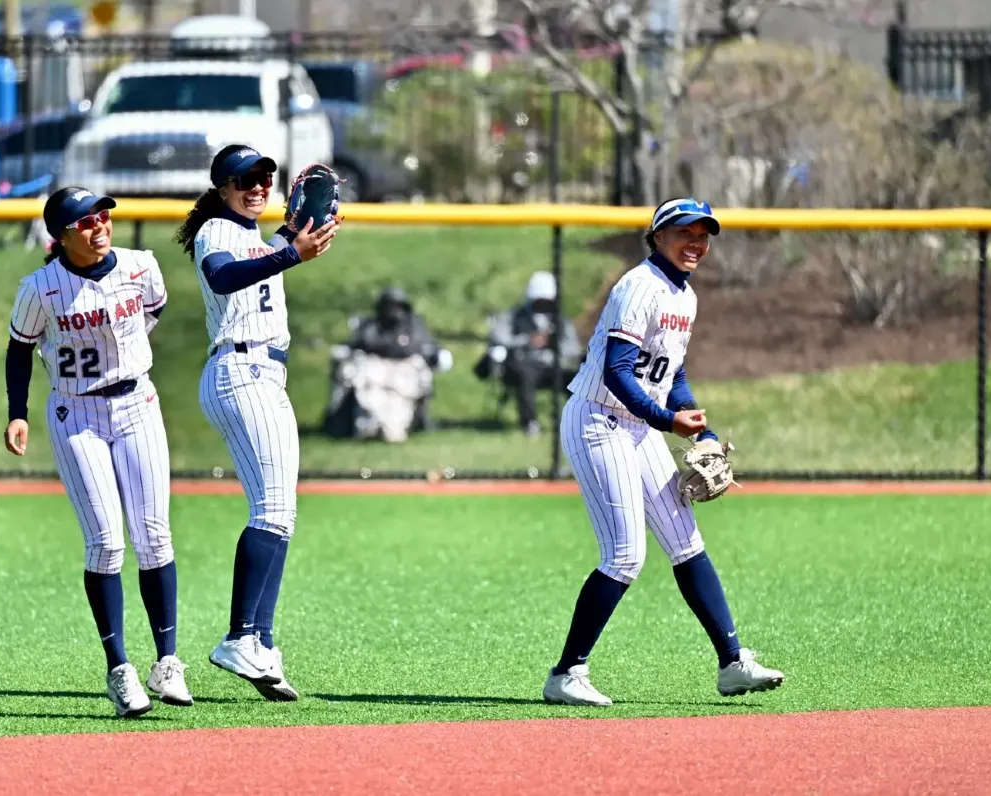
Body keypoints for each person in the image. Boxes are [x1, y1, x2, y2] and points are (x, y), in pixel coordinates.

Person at [542, 198, 785, 707]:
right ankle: (567, 673)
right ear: (657, 237)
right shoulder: (638, 287)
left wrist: (701, 429)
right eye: (685, 232)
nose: (696, 242)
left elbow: (671, 375)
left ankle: (732, 663)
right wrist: (665, 421)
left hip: (639, 424)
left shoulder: (685, 295)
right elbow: (616, 372)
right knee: (625, 555)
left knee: (685, 541)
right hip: (598, 420)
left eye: (704, 234)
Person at [4, 187, 190, 718]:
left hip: (137, 402)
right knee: (107, 543)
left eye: (102, 214)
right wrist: (17, 411)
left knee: (154, 536)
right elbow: (19, 349)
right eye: (84, 221)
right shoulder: (41, 288)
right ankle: (120, 669)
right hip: (76, 414)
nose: (99, 224)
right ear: (61, 236)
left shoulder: (140, 266)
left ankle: (168, 662)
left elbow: (151, 313)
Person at [173, 145, 340, 702]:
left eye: (266, 176)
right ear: (222, 187)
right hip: (240, 369)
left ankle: (261, 643)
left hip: (264, 374)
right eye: (245, 178)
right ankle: (239, 636)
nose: (258, 184)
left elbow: (268, 255)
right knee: (271, 509)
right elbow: (224, 279)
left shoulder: (257, 238)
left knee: (281, 513)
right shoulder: (218, 230)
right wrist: (290, 254)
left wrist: (292, 240)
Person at [323, 286, 449, 441]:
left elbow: (433, 353)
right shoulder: (369, 327)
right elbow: (352, 347)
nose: (392, 311)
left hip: (404, 378)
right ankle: (343, 420)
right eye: (388, 306)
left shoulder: (415, 329)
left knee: (393, 429)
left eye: (397, 306)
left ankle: (416, 421)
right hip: (373, 376)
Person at [474, 271, 582, 436]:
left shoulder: (560, 320)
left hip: (550, 367)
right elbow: (498, 337)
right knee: (525, 375)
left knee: (578, 378)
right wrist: (527, 341)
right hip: (520, 366)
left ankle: (578, 422)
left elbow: (573, 347)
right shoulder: (515, 316)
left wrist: (554, 344)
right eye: (539, 301)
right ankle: (529, 423)